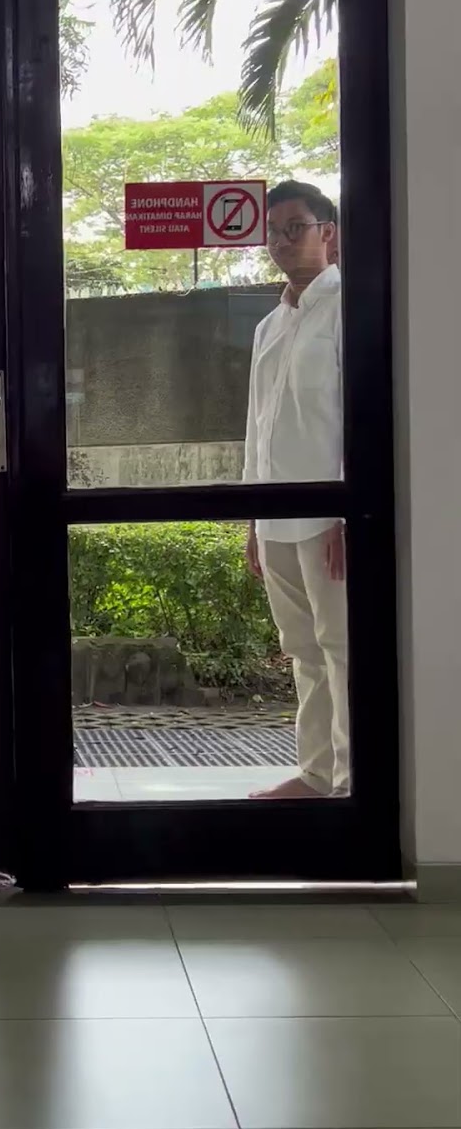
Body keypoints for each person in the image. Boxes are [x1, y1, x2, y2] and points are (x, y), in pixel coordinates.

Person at [243, 180, 348, 798]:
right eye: (274, 231)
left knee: (342, 647)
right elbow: (256, 425)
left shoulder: (349, 309)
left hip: (329, 517)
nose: (282, 241)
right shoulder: (269, 325)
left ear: (326, 232)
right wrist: (250, 515)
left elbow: (362, 417)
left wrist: (348, 511)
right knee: (304, 650)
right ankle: (316, 775)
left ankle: (353, 786)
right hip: (274, 514)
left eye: (295, 227)